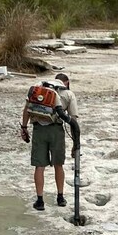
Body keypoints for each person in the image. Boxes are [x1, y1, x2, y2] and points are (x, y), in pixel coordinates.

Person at [20, 72, 79, 211]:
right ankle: (60, 197)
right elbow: (73, 120)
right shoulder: (68, 94)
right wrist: (75, 143)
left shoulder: (38, 89)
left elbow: (26, 110)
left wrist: (24, 128)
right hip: (57, 131)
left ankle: (40, 201)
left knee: (39, 166)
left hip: (39, 130)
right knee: (58, 165)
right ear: (67, 82)